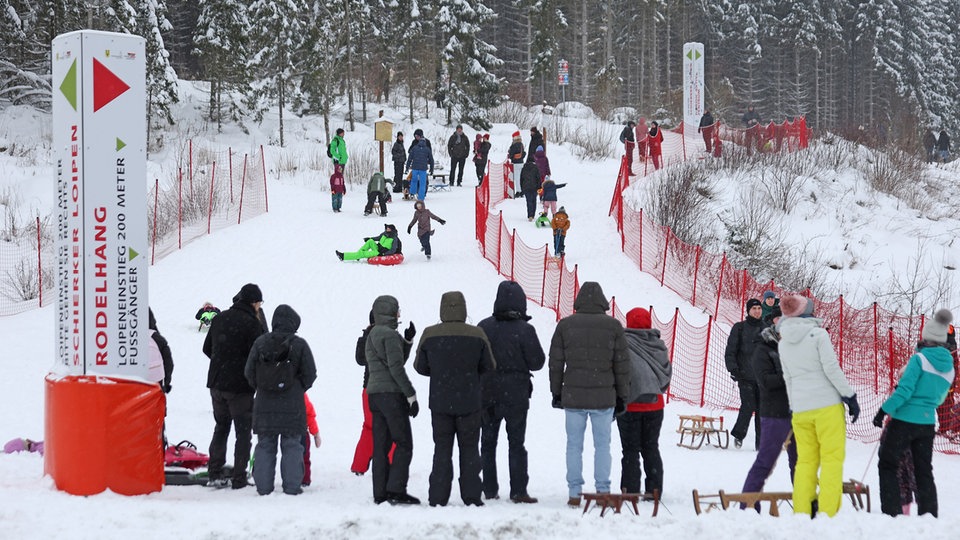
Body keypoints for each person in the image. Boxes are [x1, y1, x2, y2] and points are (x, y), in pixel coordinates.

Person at [549, 281, 630, 507]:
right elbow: (622, 365)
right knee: (603, 446)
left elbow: (556, 363)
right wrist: (622, 396)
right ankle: (603, 491)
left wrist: (556, 392)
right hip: (604, 397)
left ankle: (575, 492)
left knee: (574, 445)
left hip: (573, 396)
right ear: (602, 301)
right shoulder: (613, 327)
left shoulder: (565, 326)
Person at [778, 294, 859, 517]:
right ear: (806, 313)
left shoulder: (783, 343)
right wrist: (849, 396)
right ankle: (827, 513)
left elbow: (789, 378)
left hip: (801, 410)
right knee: (831, 460)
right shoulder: (818, 335)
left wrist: (794, 406)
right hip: (826, 407)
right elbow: (831, 368)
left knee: (805, 462)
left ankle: (803, 512)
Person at [415, 291, 496, 507]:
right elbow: (489, 365)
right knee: (469, 449)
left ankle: (438, 496)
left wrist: (440, 370)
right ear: (464, 308)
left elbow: (420, 367)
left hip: (440, 403)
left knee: (442, 449)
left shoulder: (429, 334)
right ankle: (471, 495)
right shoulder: (477, 334)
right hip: (469, 402)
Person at [873, 309, 954, 517]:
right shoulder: (949, 367)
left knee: (888, 463)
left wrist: (883, 410)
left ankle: (891, 511)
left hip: (904, 420)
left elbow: (905, 391)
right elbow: (941, 399)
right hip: (927, 424)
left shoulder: (919, 359)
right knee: (923, 470)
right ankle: (929, 513)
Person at [478, 280, 546, 504]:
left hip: (487, 392)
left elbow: (476, 360)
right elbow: (537, 362)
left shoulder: (484, 327)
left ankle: (489, 488)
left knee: (487, 442)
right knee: (516, 442)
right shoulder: (525, 330)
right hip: (516, 394)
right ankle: (518, 490)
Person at [244, 304, 317, 496]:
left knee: (265, 445)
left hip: (264, 406)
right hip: (292, 406)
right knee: (292, 445)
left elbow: (249, 373)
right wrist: (297, 388)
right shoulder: (299, 344)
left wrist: (262, 387)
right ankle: (292, 487)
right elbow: (311, 374)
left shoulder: (260, 342)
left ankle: (263, 488)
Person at [202, 283, 267, 489]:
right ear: (254, 302)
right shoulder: (252, 324)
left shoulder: (220, 318)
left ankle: (215, 472)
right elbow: (260, 355)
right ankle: (239, 478)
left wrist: (222, 359)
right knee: (243, 432)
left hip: (217, 384)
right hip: (240, 387)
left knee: (221, 427)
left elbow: (206, 348)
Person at [739, 307, 798, 509]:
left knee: (801, 462)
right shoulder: (763, 350)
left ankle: (805, 503)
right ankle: (748, 503)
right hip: (774, 413)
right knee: (766, 461)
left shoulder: (795, 349)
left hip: (798, 412)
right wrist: (789, 376)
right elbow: (765, 381)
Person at [365, 295, 421, 505]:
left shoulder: (373, 334)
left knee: (380, 446)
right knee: (404, 443)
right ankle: (396, 489)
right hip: (390, 395)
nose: (399, 314)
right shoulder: (388, 335)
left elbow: (394, 360)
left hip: (375, 396)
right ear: (389, 312)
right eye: (397, 310)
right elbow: (397, 368)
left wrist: (406, 341)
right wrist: (411, 395)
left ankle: (380, 493)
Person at [616, 307, 670, 500]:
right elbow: (666, 374)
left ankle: (630, 490)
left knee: (630, 450)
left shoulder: (622, 343)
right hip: (655, 405)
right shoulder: (658, 345)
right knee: (651, 447)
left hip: (629, 406)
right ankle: (654, 490)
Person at [724, 298, 765, 449]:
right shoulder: (739, 328)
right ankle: (739, 434)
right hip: (745, 376)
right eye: (754, 309)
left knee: (762, 409)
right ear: (748, 311)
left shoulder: (767, 329)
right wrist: (733, 369)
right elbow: (730, 351)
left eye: (759, 309)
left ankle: (761, 444)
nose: (757, 311)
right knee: (748, 406)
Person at [336, 223, 402, 262]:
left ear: (392, 230)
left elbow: (393, 250)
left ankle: (343, 256)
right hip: (377, 247)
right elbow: (378, 238)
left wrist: (383, 254)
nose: (386, 229)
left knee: (363, 253)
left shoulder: (394, 238)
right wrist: (369, 238)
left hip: (380, 252)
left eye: (388, 229)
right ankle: (358, 255)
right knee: (370, 241)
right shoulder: (385, 234)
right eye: (386, 228)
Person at [405, 130, 434, 201]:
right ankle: (421, 197)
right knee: (422, 183)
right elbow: (431, 159)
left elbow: (409, 158)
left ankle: (412, 193)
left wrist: (407, 167)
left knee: (414, 181)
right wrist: (431, 169)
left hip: (415, 167)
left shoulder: (414, 148)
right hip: (423, 168)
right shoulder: (427, 149)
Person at [302, 393, 321, 487]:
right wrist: (315, 432)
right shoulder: (300, 392)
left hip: (287, 430)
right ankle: (304, 478)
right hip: (300, 429)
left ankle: (291, 478)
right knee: (304, 456)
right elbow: (309, 414)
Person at [391, 132, 407, 197]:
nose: (401, 138)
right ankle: (396, 187)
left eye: (402, 136)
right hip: (397, 161)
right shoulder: (396, 144)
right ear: (397, 137)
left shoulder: (401, 144)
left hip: (402, 162)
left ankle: (399, 187)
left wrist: (404, 158)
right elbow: (393, 152)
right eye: (400, 136)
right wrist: (399, 156)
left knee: (400, 174)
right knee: (397, 174)